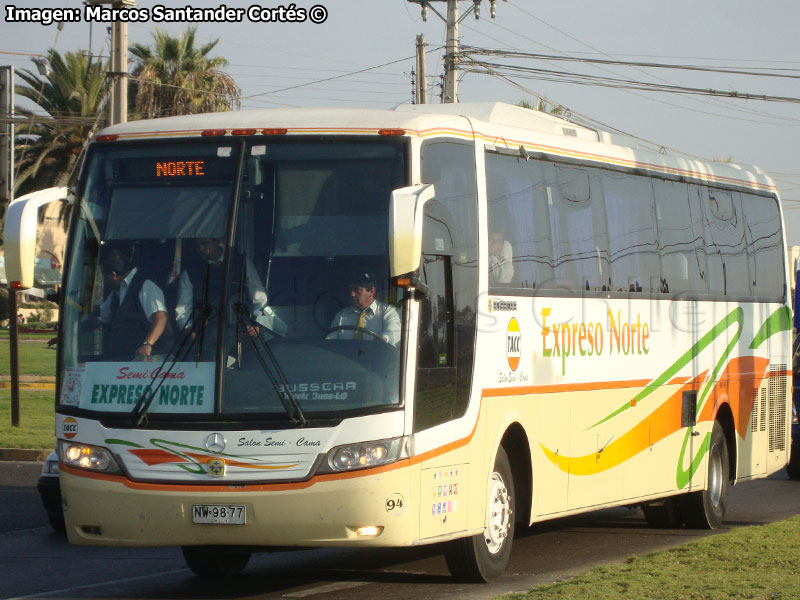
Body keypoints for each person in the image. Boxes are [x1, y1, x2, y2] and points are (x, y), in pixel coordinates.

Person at [174, 238, 285, 353]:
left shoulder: (241, 263)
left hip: (242, 337)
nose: (201, 249)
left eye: (205, 243)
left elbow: (259, 300)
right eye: (197, 245)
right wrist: (191, 334)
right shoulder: (190, 272)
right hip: (209, 339)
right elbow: (182, 311)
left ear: (218, 241)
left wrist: (256, 324)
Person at [97, 243, 173, 360]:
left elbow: (161, 317)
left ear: (113, 275)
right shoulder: (116, 294)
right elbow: (100, 317)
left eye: (104, 276)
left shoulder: (145, 286)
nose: (104, 280)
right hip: (128, 364)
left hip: (154, 364)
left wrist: (147, 344)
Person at [328, 272, 400, 346]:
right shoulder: (341, 315)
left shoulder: (388, 312)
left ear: (372, 291)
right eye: (351, 290)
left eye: (357, 290)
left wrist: (382, 339)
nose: (352, 294)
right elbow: (330, 340)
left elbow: (394, 333)